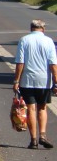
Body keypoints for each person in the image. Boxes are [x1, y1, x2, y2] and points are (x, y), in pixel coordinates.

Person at [12, 19, 57, 149]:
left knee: (31, 109)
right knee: (42, 108)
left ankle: (34, 141)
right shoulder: (48, 41)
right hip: (44, 81)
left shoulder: (24, 40)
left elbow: (20, 63)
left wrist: (16, 80)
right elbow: (53, 65)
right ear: (43, 29)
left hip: (27, 80)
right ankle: (42, 135)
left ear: (31, 28)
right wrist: (56, 82)